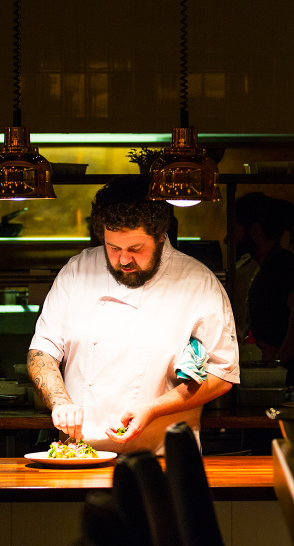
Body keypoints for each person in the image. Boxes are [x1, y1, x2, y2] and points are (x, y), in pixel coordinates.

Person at [27, 175, 239, 455]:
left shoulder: (198, 282)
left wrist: (153, 408)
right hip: (81, 456)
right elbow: (42, 351)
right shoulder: (77, 271)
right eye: (113, 248)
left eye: (135, 249)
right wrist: (60, 402)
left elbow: (222, 374)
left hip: (163, 458)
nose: (123, 259)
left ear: (160, 236)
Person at [233, 192, 294, 386]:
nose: (227, 239)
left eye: (234, 229)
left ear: (255, 230)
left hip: (292, 387)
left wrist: (278, 361)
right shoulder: (269, 266)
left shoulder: (285, 265)